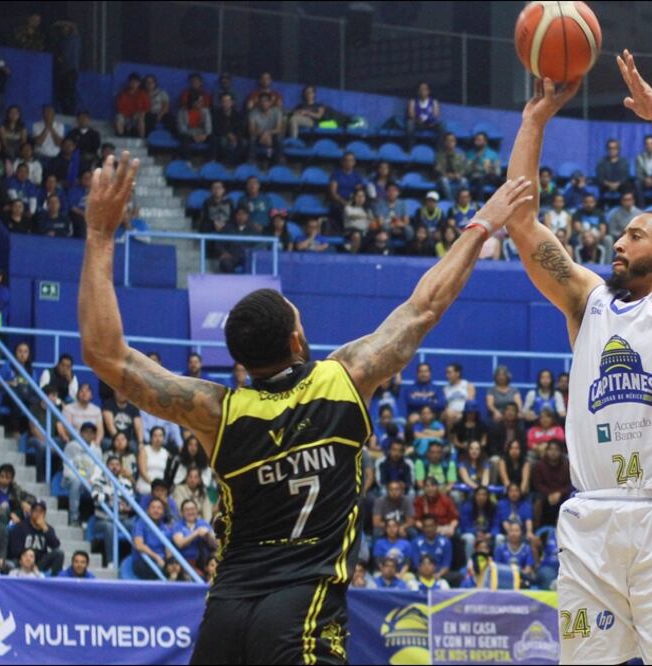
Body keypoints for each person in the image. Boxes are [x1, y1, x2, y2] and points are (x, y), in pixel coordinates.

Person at [76, 150, 535, 662]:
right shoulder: (345, 378)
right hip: (301, 607)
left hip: (227, 610)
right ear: (297, 339)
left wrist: (99, 235)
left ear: (242, 363)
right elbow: (426, 305)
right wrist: (483, 224)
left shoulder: (217, 411)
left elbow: (106, 356)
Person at [501, 53, 652, 661]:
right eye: (621, 234)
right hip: (591, 515)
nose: (619, 241)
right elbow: (520, 222)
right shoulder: (587, 302)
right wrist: (535, 120)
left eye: (635, 234)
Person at [7, 500, 63, 576]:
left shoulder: (47, 528)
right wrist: (28, 561)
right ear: (30, 512)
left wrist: (45, 529)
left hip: (39, 563)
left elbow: (56, 545)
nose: (38, 514)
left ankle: (54, 583)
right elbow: (14, 551)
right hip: (23, 561)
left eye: (41, 511)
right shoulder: (20, 527)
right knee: (13, 562)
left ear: (44, 513)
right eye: (35, 511)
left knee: (59, 554)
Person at [405, 82, 442, 148]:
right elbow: (411, 115)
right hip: (418, 123)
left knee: (441, 126)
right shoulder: (413, 101)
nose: (423, 91)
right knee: (409, 123)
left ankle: (439, 149)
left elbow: (436, 114)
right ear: (418, 91)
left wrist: (429, 120)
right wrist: (417, 119)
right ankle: (410, 148)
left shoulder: (434, 102)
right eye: (421, 89)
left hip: (430, 124)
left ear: (428, 91)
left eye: (425, 89)